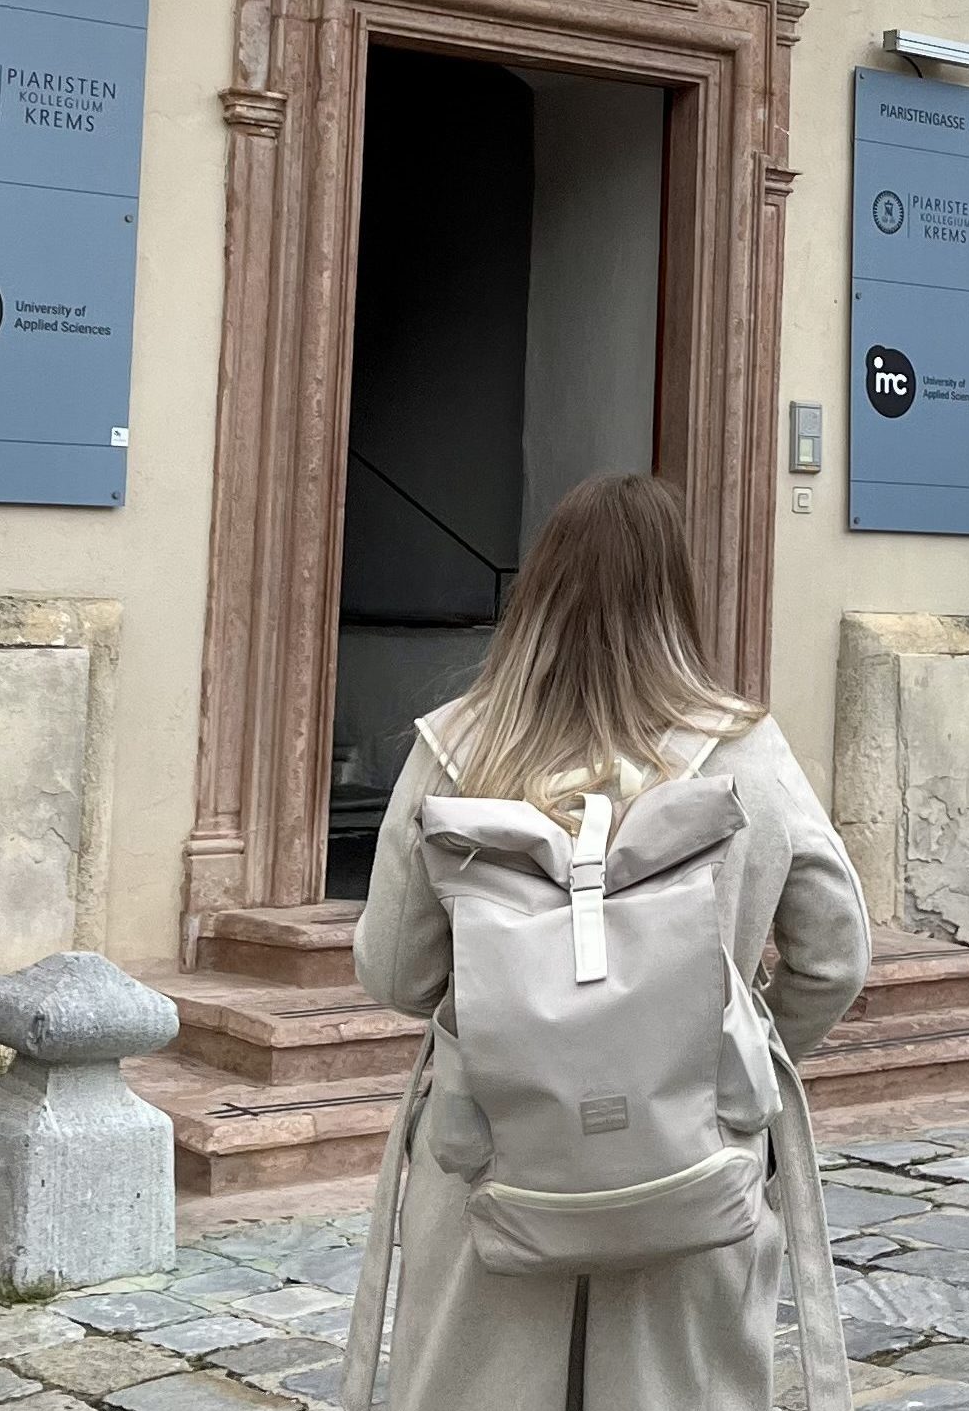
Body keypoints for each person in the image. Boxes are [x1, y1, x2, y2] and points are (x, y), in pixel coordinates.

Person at [345, 473, 872, 1411]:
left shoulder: (459, 751)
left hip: (492, 1158)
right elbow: (835, 951)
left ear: (538, 590)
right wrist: (732, 1054)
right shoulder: (745, 752)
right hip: (693, 1161)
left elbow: (392, 970)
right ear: (677, 596)